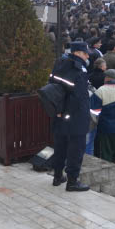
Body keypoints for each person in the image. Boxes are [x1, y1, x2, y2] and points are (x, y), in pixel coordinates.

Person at [49, 41, 92, 192]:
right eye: (86, 53)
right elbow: (78, 97)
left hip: (59, 113)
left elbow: (52, 86)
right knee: (76, 148)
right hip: (75, 116)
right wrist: (69, 113)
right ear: (78, 53)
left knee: (60, 145)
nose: (88, 55)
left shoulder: (60, 64)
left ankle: (57, 176)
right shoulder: (79, 69)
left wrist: (60, 111)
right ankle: (72, 181)